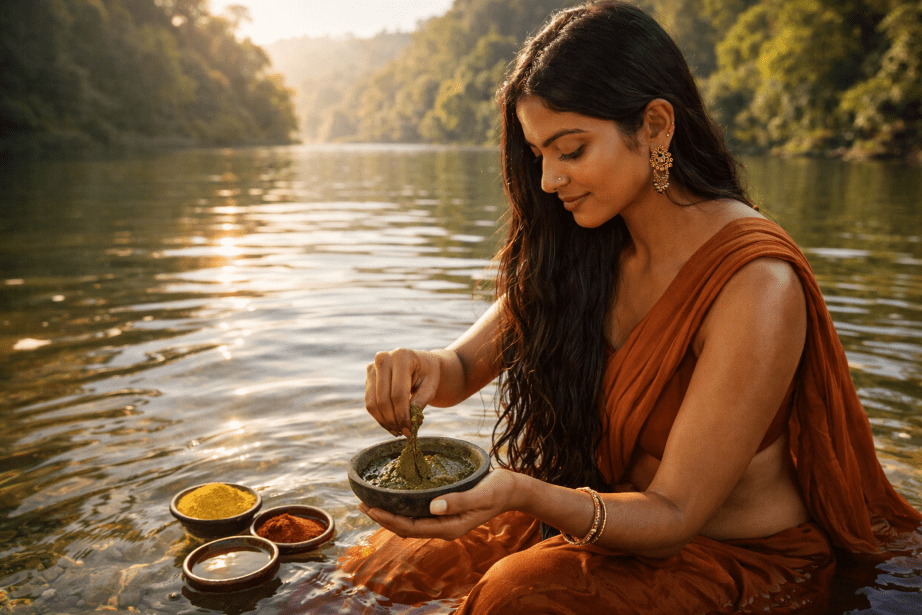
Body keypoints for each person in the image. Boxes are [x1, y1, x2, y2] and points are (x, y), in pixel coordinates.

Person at [338, 2, 922, 613]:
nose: (546, 181)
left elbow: (674, 513)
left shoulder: (756, 285)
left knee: (515, 598)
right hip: (604, 515)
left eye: (571, 149)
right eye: (538, 153)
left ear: (656, 126)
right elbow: (457, 370)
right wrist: (416, 370)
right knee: (386, 566)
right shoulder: (585, 244)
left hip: (733, 557)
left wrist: (522, 494)